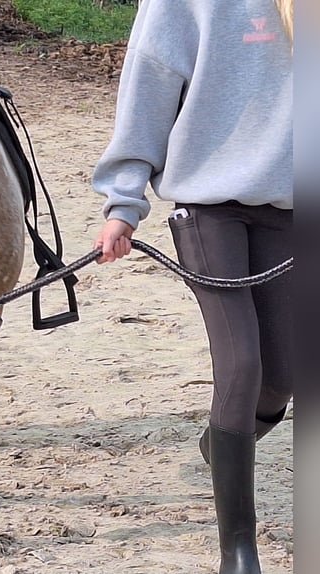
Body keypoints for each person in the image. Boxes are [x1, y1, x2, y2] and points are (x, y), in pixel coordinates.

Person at [90, 1, 293, 573]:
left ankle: (224, 442)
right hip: (209, 208)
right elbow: (149, 85)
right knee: (242, 365)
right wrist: (123, 204)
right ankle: (238, 551)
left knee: (288, 374)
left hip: (294, 209)